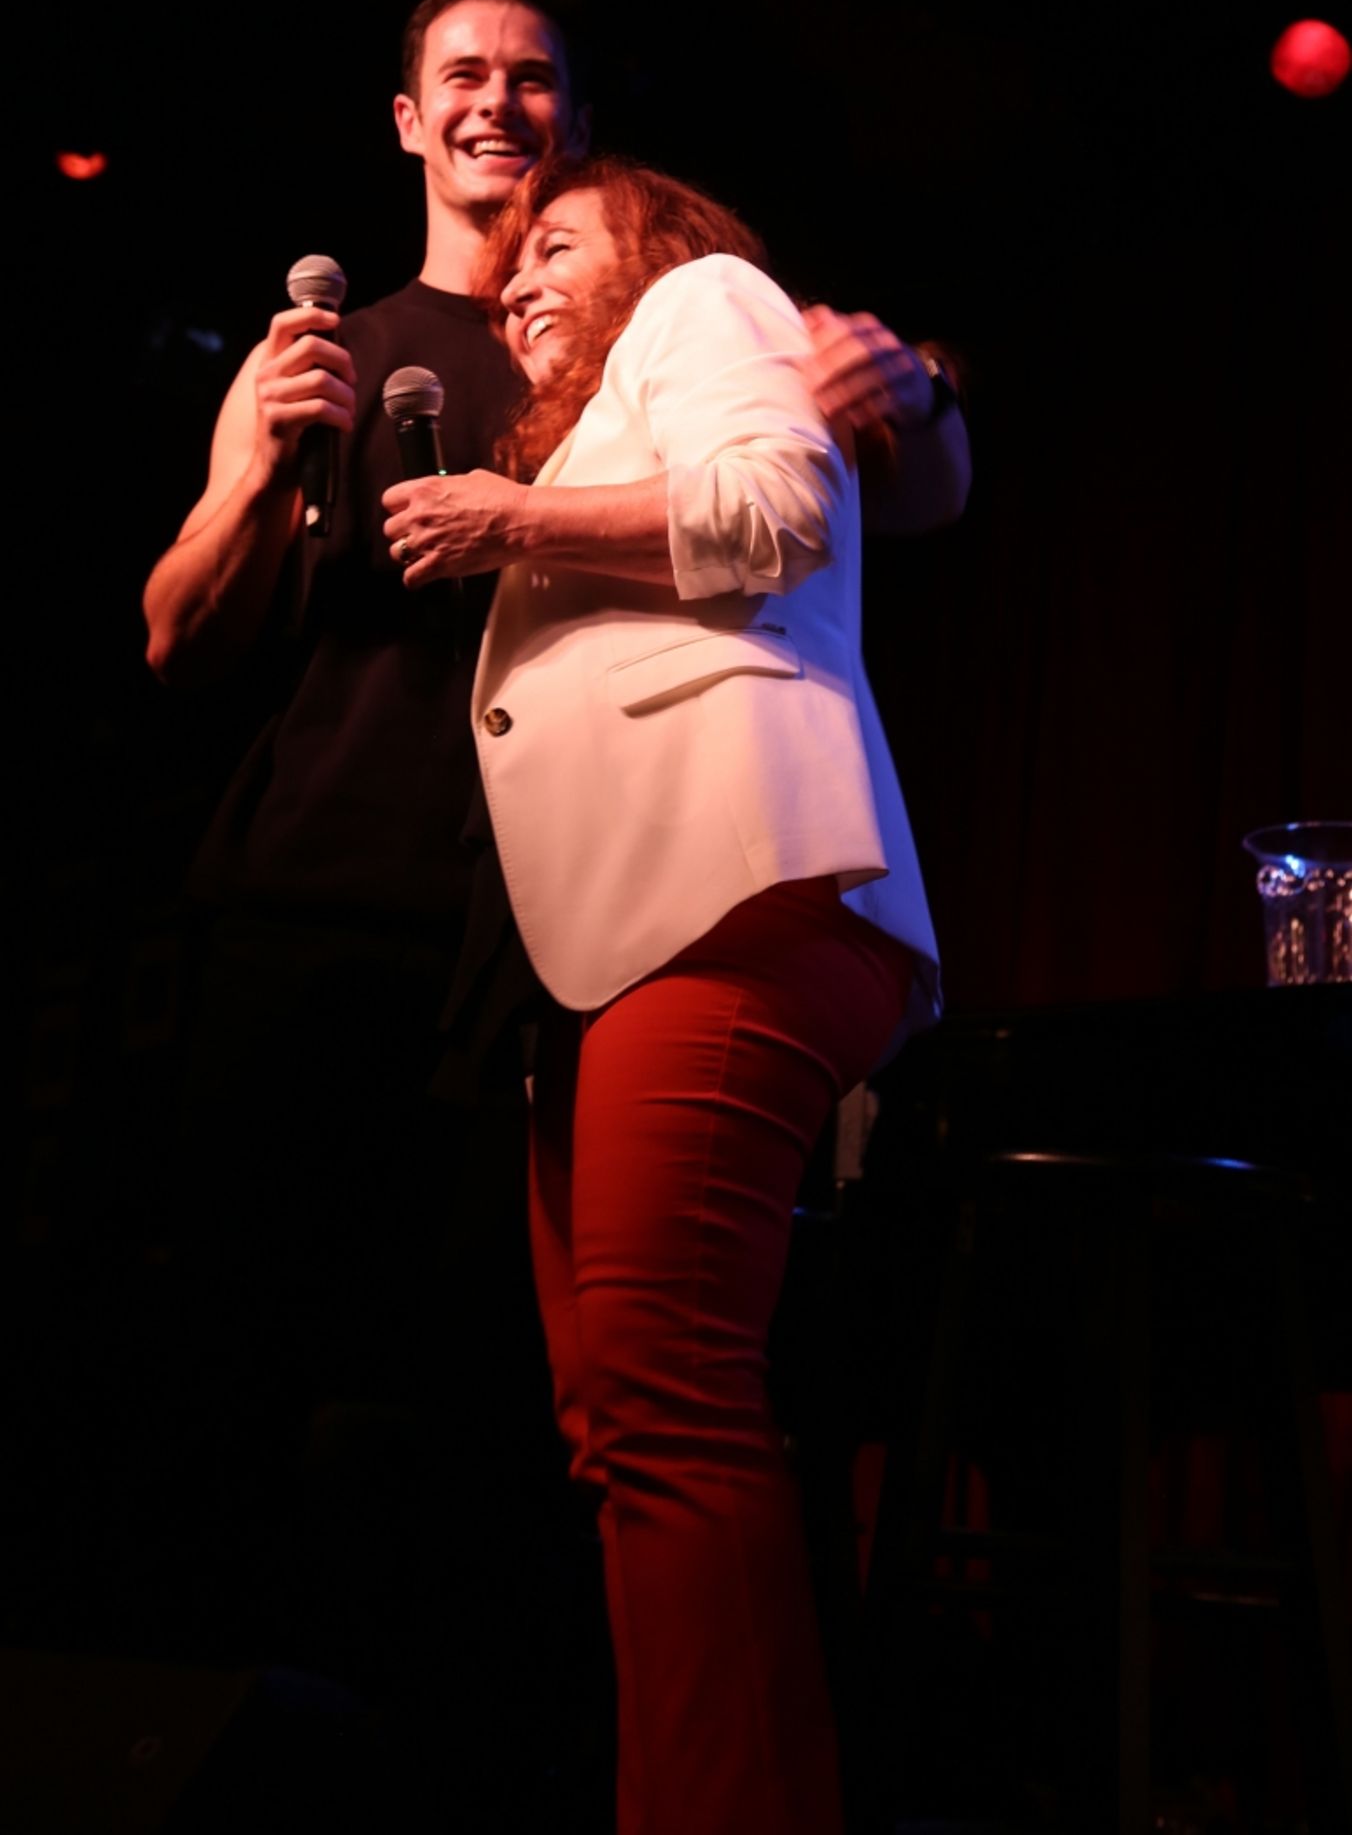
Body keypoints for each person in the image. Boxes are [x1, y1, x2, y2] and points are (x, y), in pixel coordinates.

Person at [141, 0, 967, 1817]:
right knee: (355, 1389)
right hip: (356, 914)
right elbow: (177, 634)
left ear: (582, 132)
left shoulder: (658, 318)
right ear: (406, 118)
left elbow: (841, 483)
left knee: (565, 1427)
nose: (497, 107)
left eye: (533, 79)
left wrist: (926, 395)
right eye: (463, 74)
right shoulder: (344, 360)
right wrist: (269, 468)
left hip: (581, 932)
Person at [377, 152, 944, 1835]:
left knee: (666, 1399)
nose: (516, 282)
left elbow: (780, 509)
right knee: (624, 1418)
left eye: (556, 242)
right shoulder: (587, 421)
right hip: (632, 937)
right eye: (509, 262)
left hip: (735, 893)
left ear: (659, 242)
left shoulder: (706, 301)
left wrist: (509, 521)